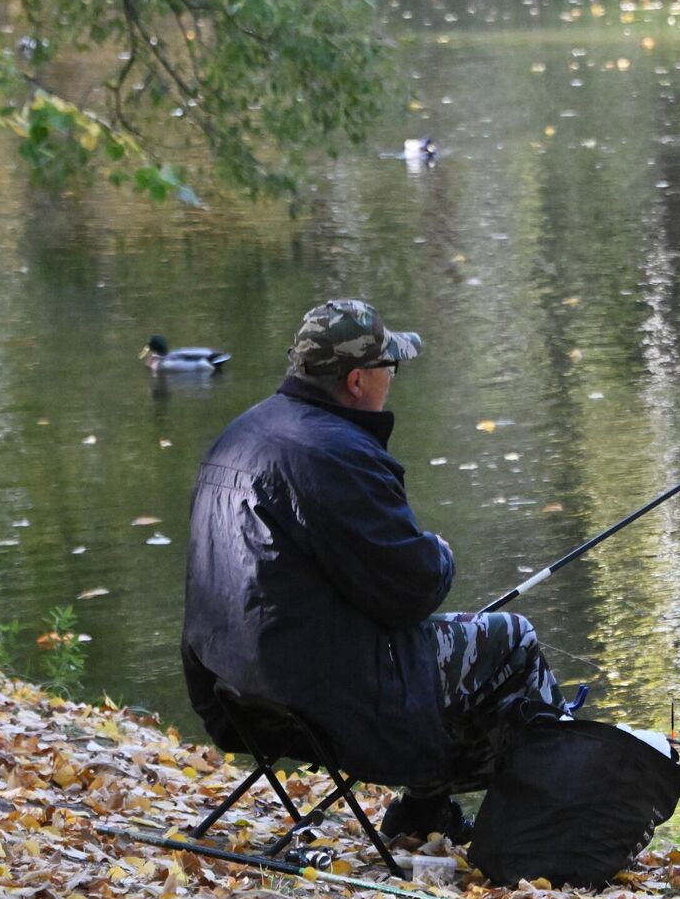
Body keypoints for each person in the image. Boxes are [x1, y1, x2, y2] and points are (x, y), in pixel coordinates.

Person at [183, 299, 568, 843]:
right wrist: (439, 552)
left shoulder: (241, 435)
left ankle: (428, 812)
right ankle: (552, 822)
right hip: (319, 695)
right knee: (510, 641)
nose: (394, 379)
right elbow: (409, 592)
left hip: (232, 687)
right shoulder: (336, 455)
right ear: (359, 380)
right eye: (391, 368)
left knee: (442, 645)